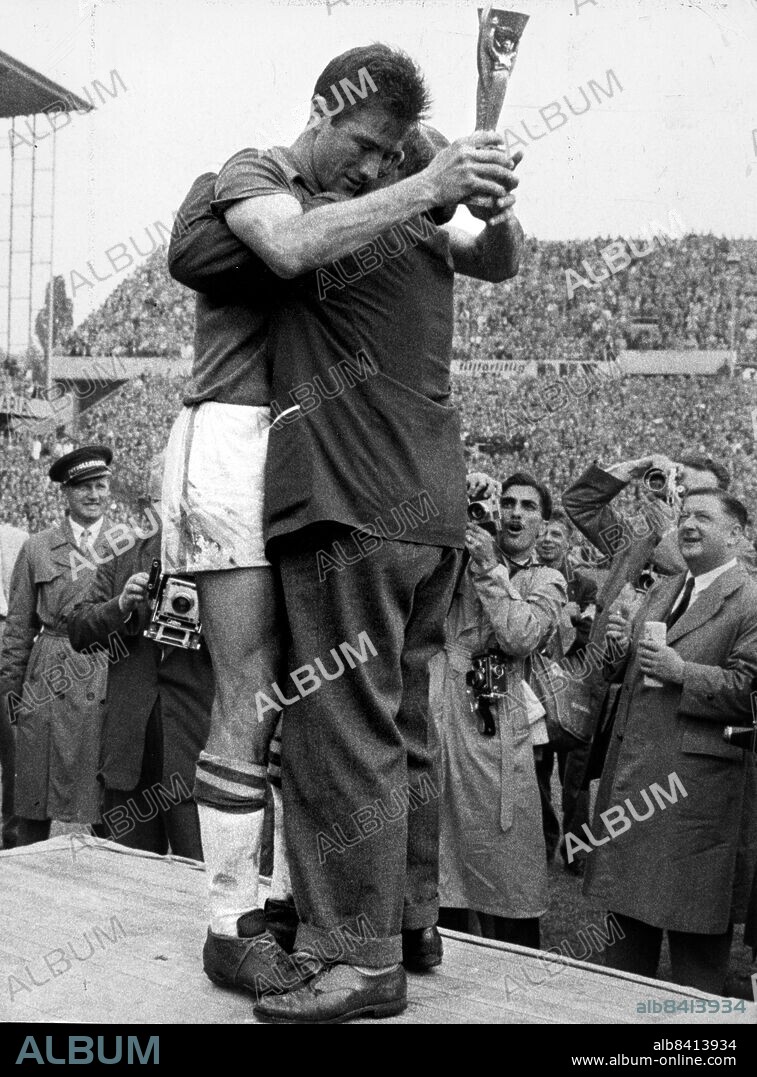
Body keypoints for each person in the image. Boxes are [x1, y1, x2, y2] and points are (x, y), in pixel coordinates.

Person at [163, 42, 518, 1000]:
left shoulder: (377, 205)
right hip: (238, 438)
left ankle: (348, 915)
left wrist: (483, 196)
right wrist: (430, 184)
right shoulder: (254, 173)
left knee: (333, 704)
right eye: (363, 146)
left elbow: (487, 258)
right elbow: (281, 248)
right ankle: (231, 921)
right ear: (322, 109)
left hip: (320, 458)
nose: (374, 167)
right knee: (254, 691)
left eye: (391, 156)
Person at [584, 488, 757, 992]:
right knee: (622, 959)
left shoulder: (750, 600)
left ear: (736, 535)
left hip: (695, 797)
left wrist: (684, 672)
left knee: (695, 955)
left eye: (703, 517)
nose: (688, 525)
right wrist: (618, 648)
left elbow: (750, 691)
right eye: (683, 516)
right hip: (636, 787)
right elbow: (626, 674)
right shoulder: (664, 589)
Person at [435, 472, 567, 949]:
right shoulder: (459, 554)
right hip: (439, 701)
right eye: (507, 503)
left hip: (494, 713)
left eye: (528, 507)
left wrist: (490, 568)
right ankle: (439, 948)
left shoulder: (547, 579)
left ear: (543, 524)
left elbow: (519, 636)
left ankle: (511, 955)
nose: (515, 513)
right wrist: (454, 502)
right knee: (438, 844)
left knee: (503, 850)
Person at [67, 457, 213, 859]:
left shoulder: (218, 553)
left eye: (176, 498)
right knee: (127, 873)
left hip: (191, 744)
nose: (167, 511)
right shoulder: (122, 553)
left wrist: (207, 614)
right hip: (128, 746)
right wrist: (120, 605)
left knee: (195, 872)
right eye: (156, 500)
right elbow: (79, 630)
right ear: (143, 503)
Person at [561, 452, 732, 785]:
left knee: (641, 797)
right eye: (679, 489)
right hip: (604, 689)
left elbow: (710, 591)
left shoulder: (727, 556)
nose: (683, 501)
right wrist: (636, 467)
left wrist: (670, 535)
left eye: (698, 497)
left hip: (662, 703)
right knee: (581, 795)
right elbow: (580, 504)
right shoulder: (635, 538)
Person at [0, 447, 115, 846]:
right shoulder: (37, 547)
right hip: (48, 675)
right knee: (33, 793)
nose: (93, 495)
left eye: (100, 486)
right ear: (66, 492)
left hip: (106, 667)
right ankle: (25, 869)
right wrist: (11, 695)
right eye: (83, 487)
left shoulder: (128, 543)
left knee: (107, 793)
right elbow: (18, 628)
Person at [535, 510, 597, 874]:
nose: (547, 539)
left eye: (556, 534)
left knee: (575, 778)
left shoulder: (586, 587)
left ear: (569, 543)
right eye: (543, 532)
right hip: (533, 690)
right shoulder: (523, 576)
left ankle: (577, 852)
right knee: (535, 773)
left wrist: (568, 623)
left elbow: (592, 635)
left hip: (573, 689)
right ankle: (542, 845)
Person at [0, 520, 29, 848]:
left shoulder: (19, 540)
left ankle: (13, 834)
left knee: (14, 745)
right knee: (13, 746)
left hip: (8, 636)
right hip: (11, 637)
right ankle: (13, 833)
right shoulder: (20, 538)